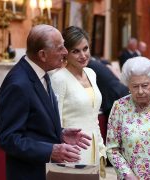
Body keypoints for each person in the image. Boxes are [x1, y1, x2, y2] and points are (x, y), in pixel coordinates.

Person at [0, 24, 92, 180]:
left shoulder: (42, 71)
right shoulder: (18, 84)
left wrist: (60, 133)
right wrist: (50, 150)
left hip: (46, 171)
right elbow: (8, 139)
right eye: (60, 48)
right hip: (29, 174)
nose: (65, 52)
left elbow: (35, 124)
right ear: (42, 55)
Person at [50, 26, 106, 175]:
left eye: (85, 48)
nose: (83, 55)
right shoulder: (58, 79)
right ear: (65, 53)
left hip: (94, 147)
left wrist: (101, 148)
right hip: (71, 151)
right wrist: (61, 152)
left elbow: (93, 116)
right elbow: (54, 121)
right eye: (76, 51)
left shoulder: (91, 73)